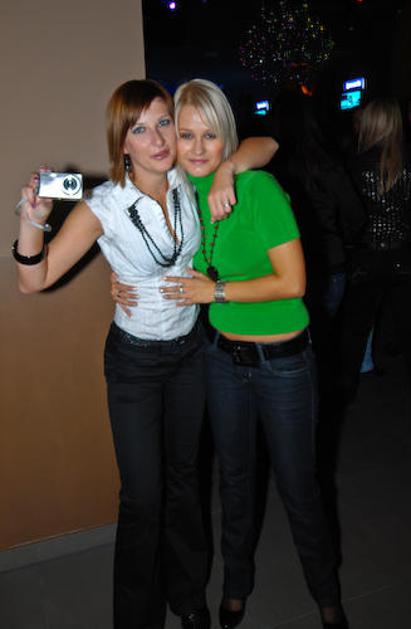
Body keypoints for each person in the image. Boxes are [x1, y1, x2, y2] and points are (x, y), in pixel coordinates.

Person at [12, 78, 277, 629]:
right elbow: (34, 280)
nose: (157, 139)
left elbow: (267, 144)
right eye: (140, 129)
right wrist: (31, 220)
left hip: (189, 355)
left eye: (163, 123)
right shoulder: (103, 205)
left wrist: (226, 170)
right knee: (142, 497)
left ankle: (188, 596)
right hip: (134, 363)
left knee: (185, 479)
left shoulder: (188, 176)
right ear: (123, 142)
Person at [113, 79, 348, 629]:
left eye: (210, 136)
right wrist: (119, 279)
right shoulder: (176, 192)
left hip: (283, 363)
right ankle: (236, 584)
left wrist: (215, 290)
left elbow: (293, 282)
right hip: (219, 361)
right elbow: (135, 233)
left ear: (227, 138)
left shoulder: (256, 188)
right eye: (186, 134)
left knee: (298, 486)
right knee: (235, 482)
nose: (197, 148)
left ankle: (326, 593)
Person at [337, 97, 411, 404]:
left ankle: (344, 396)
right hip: (402, 256)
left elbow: (347, 215)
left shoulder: (353, 164)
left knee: (354, 331)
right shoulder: (406, 163)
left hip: (366, 258)